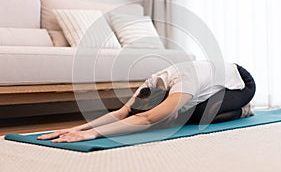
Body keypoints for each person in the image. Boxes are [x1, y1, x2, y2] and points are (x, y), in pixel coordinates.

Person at [37, 60, 256, 143]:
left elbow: (147, 118)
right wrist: (79, 127)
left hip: (239, 83)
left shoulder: (183, 87)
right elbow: (123, 113)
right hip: (202, 86)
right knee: (180, 116)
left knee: (197, 117)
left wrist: (93, 134)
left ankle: (244, 109)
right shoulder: (150, 85)